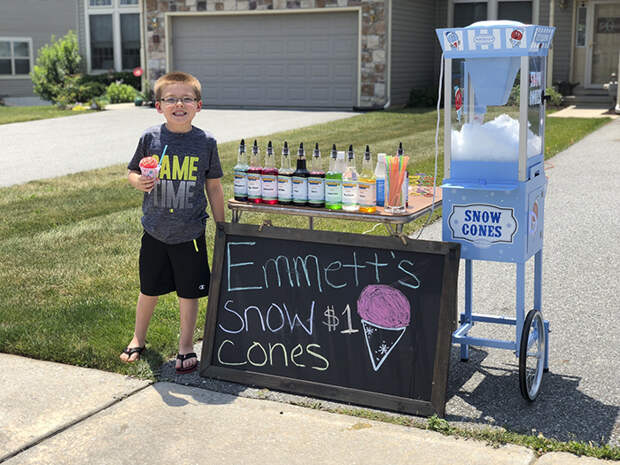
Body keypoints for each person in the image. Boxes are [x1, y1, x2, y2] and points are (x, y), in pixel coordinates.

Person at [121, 71, 225, 374]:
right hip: (154, 230)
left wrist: (221, 227)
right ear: (158, 106)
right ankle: (138, 337)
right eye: (171, 99)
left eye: (186, 99)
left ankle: (185, 346)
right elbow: (131, 171)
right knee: (148, 289)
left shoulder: (205, 142)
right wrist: (137, 181)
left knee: (188, 292)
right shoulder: (150, 138)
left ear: (199, 105)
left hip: (190, 232)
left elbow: (214, 187)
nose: (179, 104)